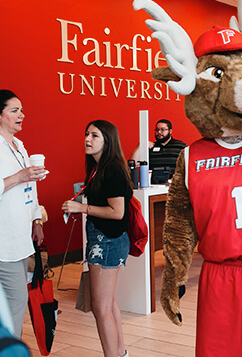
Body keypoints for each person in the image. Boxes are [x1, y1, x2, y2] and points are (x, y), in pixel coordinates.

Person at [62, 120, 132, 357]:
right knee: (108, 304)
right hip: (105, 240)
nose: (87, 139)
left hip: (108, 242)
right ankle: (120, 353)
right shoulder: (98, 168)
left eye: (94, 135)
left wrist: (83, 209)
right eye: (86, 134)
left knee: (100, 308)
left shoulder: (111, 169)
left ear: (108, 141)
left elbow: (117, 212)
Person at [0, 90, 46, 338]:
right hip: (3, 240)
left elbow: (29, 187)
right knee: (17, 301)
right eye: (14, 110)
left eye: (21, 110)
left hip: (20, 237)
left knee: (13, 302)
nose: (22, 115)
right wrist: (19, 176)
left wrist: (36, 219)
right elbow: (19, 180)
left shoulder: (19, 146)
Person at [130, 119, 187, 183]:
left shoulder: (180, 146)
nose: (159, 132)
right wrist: (141, 145)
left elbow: (188, 166)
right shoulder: (150, 147)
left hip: (175, 185)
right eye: (157, 130)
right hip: (153, 187)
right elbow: (133, 162)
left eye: (162, 129)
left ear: (170, 131)